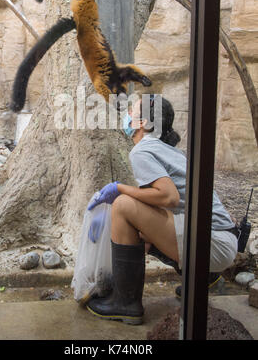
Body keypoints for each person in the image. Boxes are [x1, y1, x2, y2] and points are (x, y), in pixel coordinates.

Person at [86, 94, 238, 325]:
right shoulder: (166, 149)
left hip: (212, 244)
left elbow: (168, 197)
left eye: (131, 112)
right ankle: (203, 277)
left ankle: (126, 304)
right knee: (138, 230)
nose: (127, 116)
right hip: (220, 240)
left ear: (144, 123)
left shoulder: (143, 150)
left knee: (123, 205)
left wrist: (119, 189)